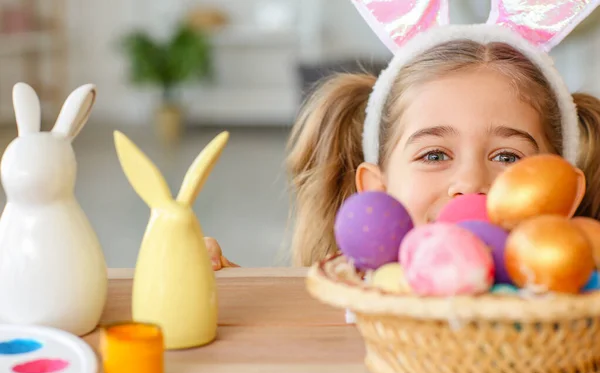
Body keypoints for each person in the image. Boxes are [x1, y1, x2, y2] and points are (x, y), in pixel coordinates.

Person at [210, 0, 600, 270]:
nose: (470, 184)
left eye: (507, 157)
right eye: (434, 155)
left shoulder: (580, 302)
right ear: (377, 190)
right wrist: (225, 280)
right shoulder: (357, 293)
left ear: (565, 193)